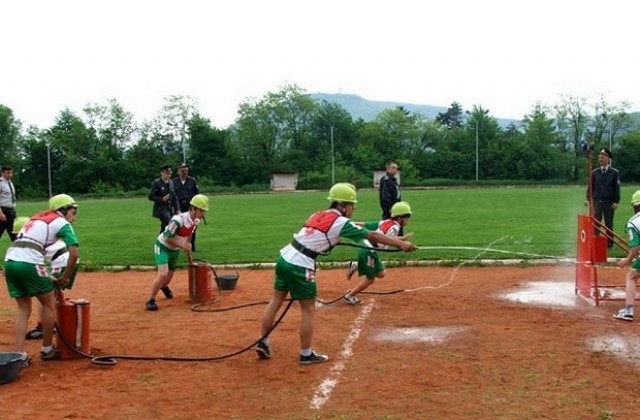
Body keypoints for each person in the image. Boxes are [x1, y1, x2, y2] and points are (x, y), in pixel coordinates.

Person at [255, 183, 417, 365]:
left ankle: (263, 341)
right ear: (342, 205)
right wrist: (400, 244)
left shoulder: (317, 214)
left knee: (275, 301)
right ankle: (306, 354)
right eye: (352, 205)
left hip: (285, 257)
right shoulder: (341, 222)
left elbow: (315, 235)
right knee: (308, 309)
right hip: (301, 264)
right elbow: (372, 236)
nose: (353, 209)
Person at [3, 194, 80, 364]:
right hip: (29, 262)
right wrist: (65, 277)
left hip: (10, 260)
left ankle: (18, 356)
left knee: (23, 309)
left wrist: (47, 275)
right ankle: (47, 350)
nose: (73, 217)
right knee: (49, 304)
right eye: (73, 212)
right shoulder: (62, 223)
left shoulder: (37, 217)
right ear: (64, 209)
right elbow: (74, 254)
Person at [10, 216, 80, 340]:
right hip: (63, 260)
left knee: (45, 297)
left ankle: (44, 327)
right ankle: (53, 324)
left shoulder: (32, 241)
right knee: (49, 296)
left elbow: (34, 263)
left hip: (61, 262)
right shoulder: (41, 234)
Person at [145, 193, 209, 311]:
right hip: (162, 247)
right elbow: (168, 238)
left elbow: (189, 235)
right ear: (193, 208)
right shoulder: (178, 220)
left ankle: (164, 286)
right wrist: (183, 246)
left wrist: (189, 251)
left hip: (174, 250)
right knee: (163, 274)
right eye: (201, 210)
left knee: (168, 279)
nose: (203, 214)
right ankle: (151, 300)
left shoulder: (195, 221)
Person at [344, 201, 414, 305]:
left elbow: (374, 229)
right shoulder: (394, 228)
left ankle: (355, 265)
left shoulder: (386, 222)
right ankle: (349, 296)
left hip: (370, 249)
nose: (408, 220)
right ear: (400, 218)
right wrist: (402, 244)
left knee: (381, 273)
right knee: (370, 279)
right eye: (407, 217)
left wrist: (401, 239)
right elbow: (388, 239)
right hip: (369, 250)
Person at [613, 191, 640, 322]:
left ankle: (628, 311)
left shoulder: (633, 222)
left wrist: (628, 259)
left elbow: (635, 246)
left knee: (631, 277)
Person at [585, 148, 620, 249]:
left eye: (603, 155)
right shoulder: (595, 172)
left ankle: (610, 244)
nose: (601, 157)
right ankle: (595, 242)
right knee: (596, 223)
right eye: (600, 155)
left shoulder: (614, 173)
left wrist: (616, 201)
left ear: (608, 158)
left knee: (609, 224)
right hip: (597, 202)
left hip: (609, 202)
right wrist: (587, 198)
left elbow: (617, 188)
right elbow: (590, 187)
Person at [173, 163, 200, 251]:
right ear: (178, 172)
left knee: (192, 226)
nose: (184, 172)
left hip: (190, 207)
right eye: (182, 171)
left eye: (186, 171)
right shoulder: (173, 182)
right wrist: (176, 209)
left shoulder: (192, 181)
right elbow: (173, 196)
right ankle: (176, 245)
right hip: (178, 206)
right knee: (177, 226)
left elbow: (197, 194)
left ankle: (191, 245)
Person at [148, 165, 179, 233]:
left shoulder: (171, 182)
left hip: (170, 208)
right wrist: (161, 199)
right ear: (162, 173)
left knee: (164, 227)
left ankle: (160, 241)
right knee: (170, 223)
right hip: (161, 208)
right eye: (167, 173)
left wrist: (178, 209)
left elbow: (174, 197)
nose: (169, 175)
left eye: (170, 173)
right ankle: (170, 241)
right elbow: (150, 196)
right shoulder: (157, 183)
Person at [0, 165, 18, 242]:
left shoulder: (10, 183)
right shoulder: (0, 183)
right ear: (2, 173)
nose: (10, 175)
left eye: (11, 173)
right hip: (3, 211)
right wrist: (0, 213)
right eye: (8, 173)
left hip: (11, 211)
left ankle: (17, 252)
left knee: (14, 234)